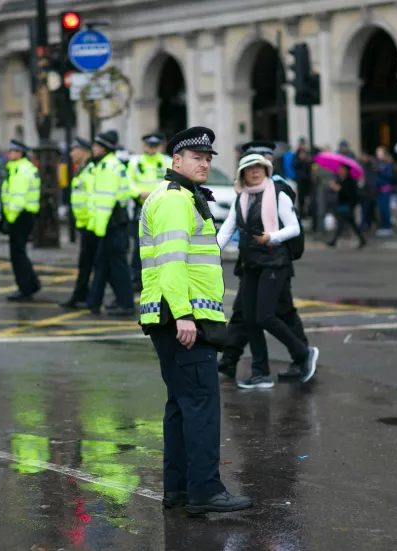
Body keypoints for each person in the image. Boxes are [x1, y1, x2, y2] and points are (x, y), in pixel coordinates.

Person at [138, 125, 252, 514]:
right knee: (201, 403)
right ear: (177, 161)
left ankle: (180, 489)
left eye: (207, 158)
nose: (204, 163)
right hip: (183, 318)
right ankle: (205, 490)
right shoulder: (174, 200)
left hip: (172, 316)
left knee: (181, 405)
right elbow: (172, 263)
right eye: (196, 158)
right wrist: (184, 315)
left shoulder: (180, 196)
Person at [216, 153, 317, 389]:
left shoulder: (278, 194)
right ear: (243, 175)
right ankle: (260, 373)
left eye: (259, 167)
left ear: (266, 169)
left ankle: (303, 353)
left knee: (265, 316)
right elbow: (227, 230)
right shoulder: (240, 199)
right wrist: (208, 253)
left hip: (274, 263)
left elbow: (293, 228)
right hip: (250, 264)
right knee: (250, 320)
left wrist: (273, 237)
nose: (255, 171)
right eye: (250, 169)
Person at [86, 130, 135, 316]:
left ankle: (126, 304)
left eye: (96, 146)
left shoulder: (108, 167)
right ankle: (94, 301)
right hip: (112, 223)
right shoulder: (108, 165)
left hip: (111, 223)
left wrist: (98, 228)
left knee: (118, 265)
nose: (93, 149)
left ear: (104, 148)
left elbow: (106, 201)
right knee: (103, 263)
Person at [127, 133, 171, 289]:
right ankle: (137, 279)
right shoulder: (135, 162)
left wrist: (155, 195)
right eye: (149, 146)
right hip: (141, 207)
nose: (152, 149)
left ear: (160, 146)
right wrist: (138, 194)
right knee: (140, 246)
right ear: (144, 146)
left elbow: (171, 182)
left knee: (160, 244)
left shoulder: (167, 161)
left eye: (155, 146)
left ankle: (158, 278)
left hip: (160, 208)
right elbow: (129, 182)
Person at [1, 139, 42, 301]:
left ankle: (25, 288)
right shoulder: (23, 168)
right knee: (20, 253)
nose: (9, 154)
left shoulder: (20, 170)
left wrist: (9, 220)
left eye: (12, 151)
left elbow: (18, 199)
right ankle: (31, 283)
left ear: (19, 153)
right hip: (25, 215)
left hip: (19, 216)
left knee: (17, 255)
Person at [60, 138, 97, 309]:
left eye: (74, 150)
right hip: (84, 224)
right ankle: (82, 296)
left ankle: (89, 298)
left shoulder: (91, 170)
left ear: (84, 152)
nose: (71, 153)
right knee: (88, 263)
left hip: (92, 224)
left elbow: (92, 198)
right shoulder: (81, 170)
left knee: (96, 264)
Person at [326, 163, 365, 248]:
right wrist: (334, 187)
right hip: (342, 204)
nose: (341, 171)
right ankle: (362, 239)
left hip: (348, 204)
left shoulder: (350, 181)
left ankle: (334, 241)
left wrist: (339, 189)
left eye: (342, 169)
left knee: (341, 222)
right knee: (351, 222)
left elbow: (348, 193)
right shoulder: (340, 179)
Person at [373, 147, 394, 236]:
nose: (378, 155)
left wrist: (380, 171)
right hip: (378, 189)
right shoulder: (377, 163)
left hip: (385, 189)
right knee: (380, 209)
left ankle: (387, 226)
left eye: (380, 153)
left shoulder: (388, 164)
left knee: (385, 209)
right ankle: (383, 226)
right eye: (377, 153)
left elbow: (389, 175)